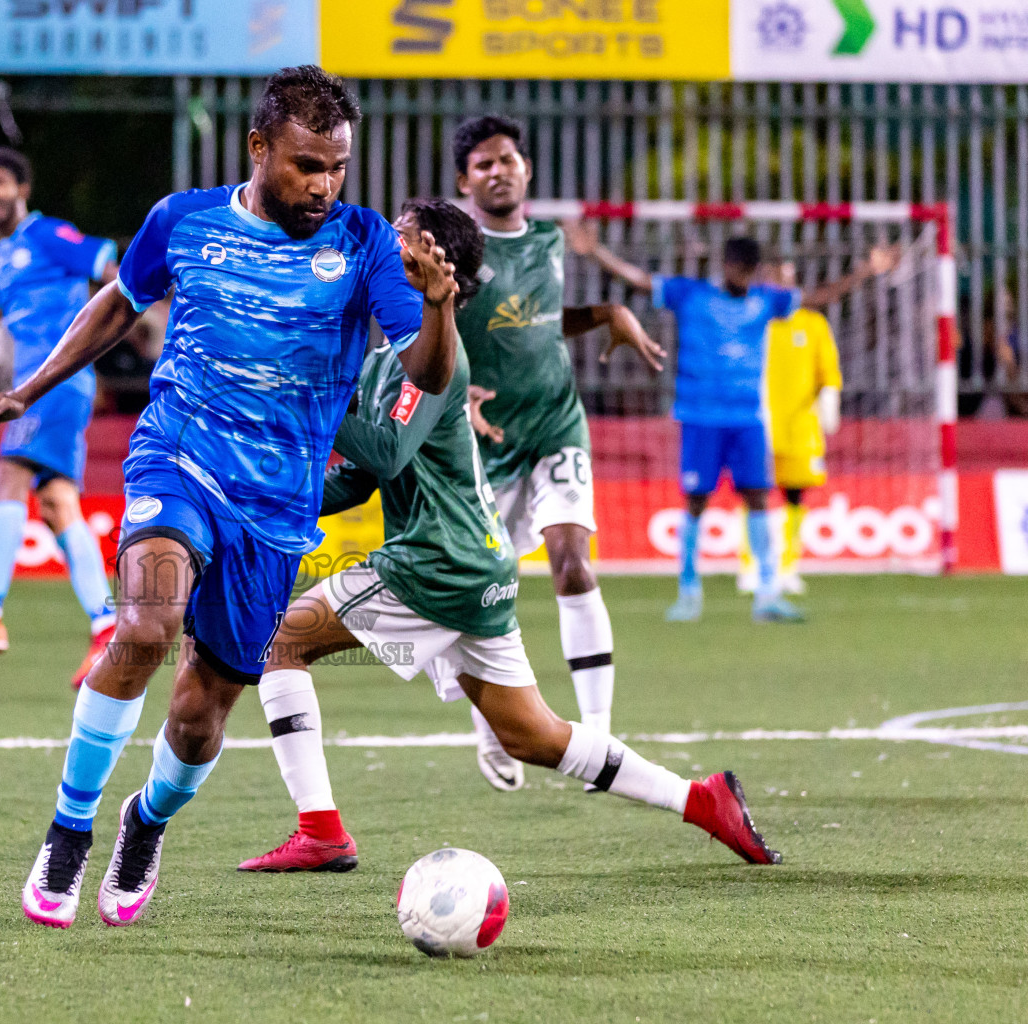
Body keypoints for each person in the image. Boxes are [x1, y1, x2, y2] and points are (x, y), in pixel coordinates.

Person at [0, 65, 461, 929]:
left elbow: (424, 372)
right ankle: (68, 827)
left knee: (202, 714)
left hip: (277, 506)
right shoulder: (183, 220)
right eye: (308, 164)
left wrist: (439, 307)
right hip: (179, 458)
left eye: (338, 167)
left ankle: (144, 821)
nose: (324, 185)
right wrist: (27, 391)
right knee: (147, 624)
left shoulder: (366, 242)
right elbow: (116, 306)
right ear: (259, 147)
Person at [239, 198, 780, 873]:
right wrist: (267, 502)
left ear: (439, 270)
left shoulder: (437, 358)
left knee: (281, 645)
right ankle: (703, 801)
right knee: (533, 735)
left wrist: (306, 396)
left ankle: (320, 831)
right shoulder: (383, 361)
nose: (383, 243)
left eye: (401, 238)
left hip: (438, 563)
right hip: (474, 566)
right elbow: (358, 482)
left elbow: (383, 453)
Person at [448, 115, 666, 791]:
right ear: (465, 181)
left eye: (507, 159)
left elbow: (539, 322)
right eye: (483, 164)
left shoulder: (548, 240)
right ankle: (494, 724)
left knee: (573, 561)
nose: (498, 170)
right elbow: (423, 327)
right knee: (487, 590)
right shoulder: (453, 249)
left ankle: (597, 734)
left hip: (554, 426)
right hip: (485, 442)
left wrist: (605, 314)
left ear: (527, 169)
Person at [567, 227, 895, 623]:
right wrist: (597, 252)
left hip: (748, 420)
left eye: (750, 270)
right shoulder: (692, 295)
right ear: (726, 266)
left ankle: (768, 593)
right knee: (695, 501)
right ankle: (688, 591)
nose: (744, 276)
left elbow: (818, 296)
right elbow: (638, 280)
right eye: (739, 268)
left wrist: (865, 272)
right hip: (700, 418)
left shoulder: (765, 301)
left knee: (758, 497)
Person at [0, 147, 119, 680]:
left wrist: (128, 326)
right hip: (36, 387)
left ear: (21, 188)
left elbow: (112, 270)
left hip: (56, 381)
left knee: (7, 477)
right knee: (58, 505)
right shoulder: (6, 252)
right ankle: (107, 628)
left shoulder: (49, 235)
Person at [737, 262, 842, 596]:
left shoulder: (812, 323)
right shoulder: (754, 320)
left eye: (787, 279)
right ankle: (750, 564)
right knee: (754, 494)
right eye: (775, 279)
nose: (782, 286)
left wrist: (830, 398)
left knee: (795, 495)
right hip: (759, 420)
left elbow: (828, 371)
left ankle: (788, 566)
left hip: (800, 426)